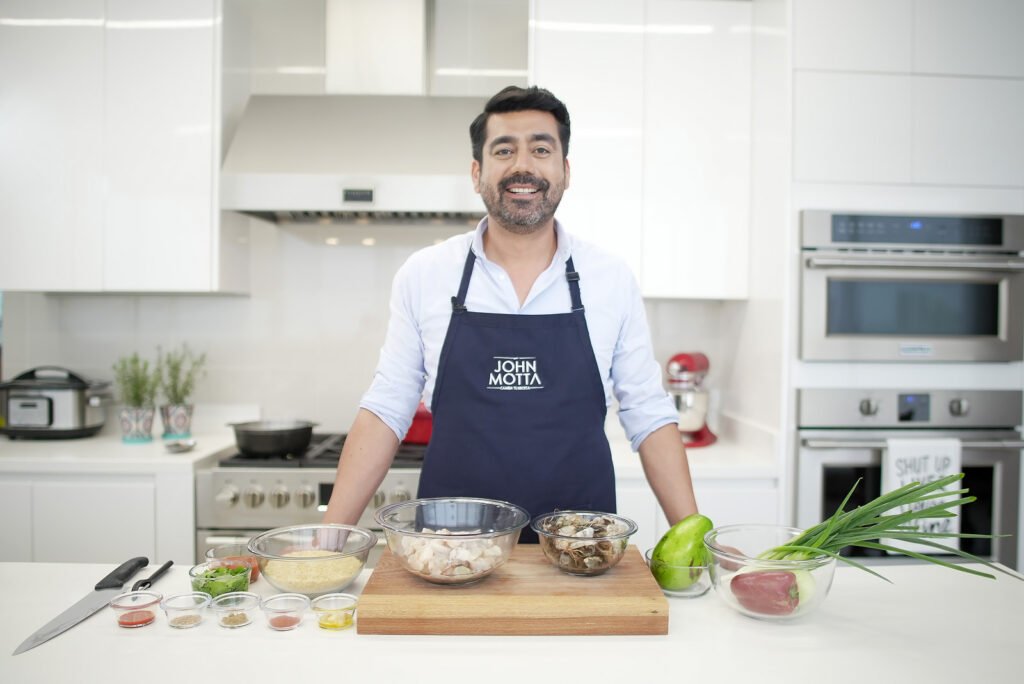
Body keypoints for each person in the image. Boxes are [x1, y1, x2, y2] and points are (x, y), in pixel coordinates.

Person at [323, 85, 698, 541]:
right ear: (477, 172)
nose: (523, 165)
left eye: (541, 149)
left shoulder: (610, 279)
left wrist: (693, 538)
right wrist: (329, 540)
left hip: (578, 550)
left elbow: (649, 414)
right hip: (452, 549)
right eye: (504, 150)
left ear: (565, 171)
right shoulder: (425, 275)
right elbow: (386, 409)